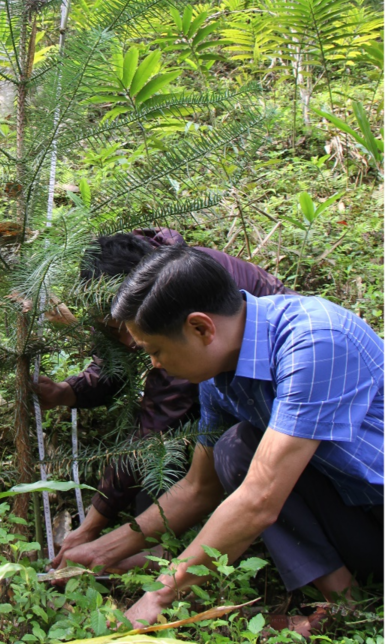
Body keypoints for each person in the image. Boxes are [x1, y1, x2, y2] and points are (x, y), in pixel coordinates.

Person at [56, 245, 385, 632]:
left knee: (247, 459)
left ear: (200, 328)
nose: (155, 364)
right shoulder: (222, 374)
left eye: (156, 350)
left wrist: (159, 597)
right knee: (236, 448)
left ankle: (351, 617)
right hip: (357, 509)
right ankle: (345, 602)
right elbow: (198, 488)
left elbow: (258, 499)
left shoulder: (315, 342)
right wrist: (103, 549)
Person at [33, 229, 287, 567]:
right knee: (156, 484)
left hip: (265, 390)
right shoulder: (126, 288)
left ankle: (176, 550)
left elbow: (157, 424)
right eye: (114, 328)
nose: (129, 344)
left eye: (127, 332)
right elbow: (115, 359)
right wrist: (68, 392)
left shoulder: (180, 303)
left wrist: (92, 526)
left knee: (196, 456)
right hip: (223, 388)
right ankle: (157, 543)